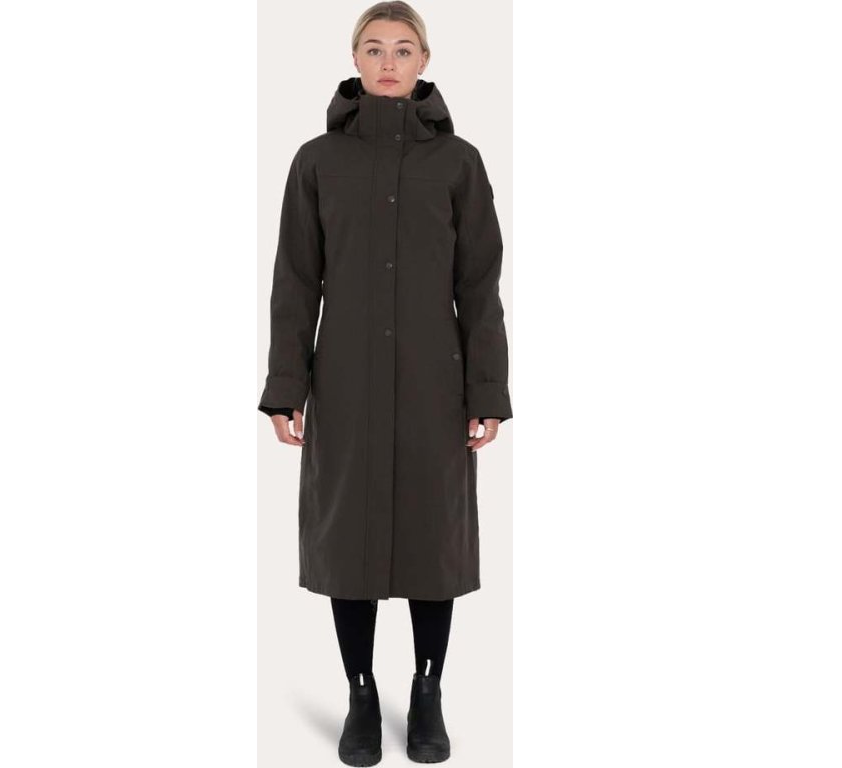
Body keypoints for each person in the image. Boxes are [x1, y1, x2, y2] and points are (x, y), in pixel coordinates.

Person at [257, 2, 512, 764]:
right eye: (374, 48)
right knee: (349, 538)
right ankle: (361, 693)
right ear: (355, 60)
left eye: (403, 49)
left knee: (434, 538)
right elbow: (295, 281)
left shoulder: (459, 162)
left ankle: (428, 691)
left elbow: (480, 285)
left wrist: (487, 392)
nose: (389, 62)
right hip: (345, 381)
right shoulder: (317, 162)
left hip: (436, 382)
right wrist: (286, 385)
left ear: (424, 61)